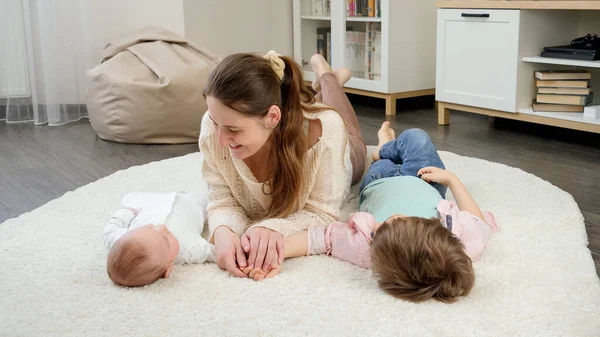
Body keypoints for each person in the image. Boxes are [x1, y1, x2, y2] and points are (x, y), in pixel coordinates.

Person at [245, 123, 498, 303]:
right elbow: (478, 221)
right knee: (417, 137)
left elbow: (319, 239)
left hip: (381, 178)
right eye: (390, 222)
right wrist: (452, 180)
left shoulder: (367, 247)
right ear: (433, 225)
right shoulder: (457, 242)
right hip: (427, 179)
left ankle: (383, 151)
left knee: (388, 157)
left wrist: (274, 254)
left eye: (377, 231)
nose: (374, 226)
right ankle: (387, 146)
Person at [199, 51, 366, 277]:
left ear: (273, 117)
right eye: (215, 122)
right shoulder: (215, 125)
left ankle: (328, 76)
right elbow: (221, 200)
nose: (219, 140)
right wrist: (223, 232)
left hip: (345, 151)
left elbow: (323, 213)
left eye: (233, 130)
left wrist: (270, 228)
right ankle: (317, 90)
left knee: (344, 124)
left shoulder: (326, 131)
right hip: (290, 119)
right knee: (307, 104)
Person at [103, 192, 214, 287]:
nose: (162, 227)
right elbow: (216, 252)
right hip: (193, 203)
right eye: (166, 239)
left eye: (148, 227)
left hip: (157, 202)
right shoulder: (189, 250)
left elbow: (110, 231)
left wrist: (127, 213)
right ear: (168, 269)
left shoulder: (123, 238)